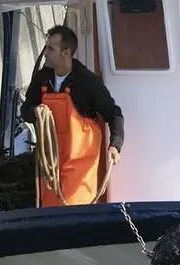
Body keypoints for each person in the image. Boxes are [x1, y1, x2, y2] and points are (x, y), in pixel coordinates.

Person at [20, 24, 124, 207]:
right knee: (49, 213)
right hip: (50, 170)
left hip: (79, 172)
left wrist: (115, 145)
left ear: (66, 53)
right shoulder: (41, 78)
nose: (45, 53)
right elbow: (25, 111)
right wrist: (35, 112)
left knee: (74, 212)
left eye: (50, 49)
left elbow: (114, 114)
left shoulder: (88, 82)